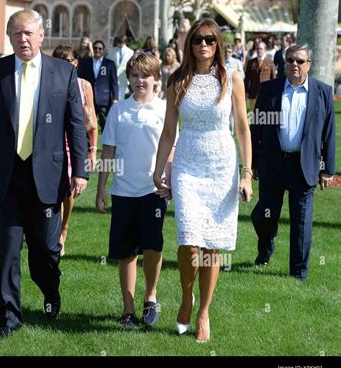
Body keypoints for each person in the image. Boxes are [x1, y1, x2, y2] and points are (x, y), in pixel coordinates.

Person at [0, 10, 89, 339]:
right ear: (9, 37)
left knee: (45, 252)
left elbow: (76, 125)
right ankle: (9, 316)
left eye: (28, 33)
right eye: (16, 34)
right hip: (5, 177)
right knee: (7, 250)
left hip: (48, 176)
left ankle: (50, 293)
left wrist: (82, 171)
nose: (23, 39)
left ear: (42, 35)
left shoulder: (63, 73)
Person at [154, 18, 252, 342]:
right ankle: (186, 295)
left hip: (222, 166)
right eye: (198, 39)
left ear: (219, 44)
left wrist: (247, 174)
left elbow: (242, 129)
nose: (204, 45)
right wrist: (159, 168)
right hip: (187, 166)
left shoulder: (231, 78)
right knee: (188, 240)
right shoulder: (177, 80)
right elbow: (169, 130)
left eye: (210, 40)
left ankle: (204, 311)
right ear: (189, 44)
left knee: (213, 245)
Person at [96, 52, 175, 329]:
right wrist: (101, 188)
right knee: (127, 252)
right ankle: (128, 309)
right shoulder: (118, 110)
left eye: (145, 75)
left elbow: (172, 148)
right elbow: (108, 150)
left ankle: (150, 297)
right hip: (123, 191)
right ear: (128, 78)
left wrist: (169, 177)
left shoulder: (166, 109)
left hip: (153, 191)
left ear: (157, 79)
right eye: (135, 75)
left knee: (153, 246)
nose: (140, 80)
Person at [251, 44, 336, 280]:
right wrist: (253, 163)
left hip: (304, 166)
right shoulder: (270, 90)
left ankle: (298, 271)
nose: (294, 65)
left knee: (302, 222)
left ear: (309, 64)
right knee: (265, 216)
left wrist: (327, 170)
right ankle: (265, 250)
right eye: (290, 60)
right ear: (284, 63)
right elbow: (256, 128)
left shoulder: (323, 92)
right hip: (273, 164)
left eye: (299, 61)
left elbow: (329, 133)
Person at [52, 44, 98, 256]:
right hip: (52, 142)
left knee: (69, 191)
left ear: (76, 63)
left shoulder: (84, 85)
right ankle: (52, 232)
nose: (64, 64)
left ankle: (64, 228)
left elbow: (92, 122)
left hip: (74, 144)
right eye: (59, 60)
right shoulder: (48, 83)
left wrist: (92, 150)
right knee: (54, 189)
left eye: (68, 60)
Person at [78, 40, 118, 131]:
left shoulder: (109, 64)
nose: (97, 50)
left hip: (104, 99)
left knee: (105, 124)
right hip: (88, 98)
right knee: (88, 123)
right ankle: (90, 144)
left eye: (100, 48)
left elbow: (114, 82)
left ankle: (107, 143)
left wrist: (115, 98)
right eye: (95, 48)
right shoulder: (85, 62)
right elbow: (80, 78)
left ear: (103, 50)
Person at [244, 42, 276, 111]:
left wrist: (273, 92)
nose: (259, 51)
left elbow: (273, 78)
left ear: (264, 50)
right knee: (254, 114)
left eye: (261, 49)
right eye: (258, 49)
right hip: (253, 93)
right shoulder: (251, 62)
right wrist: (246, 92)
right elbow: (247, 78)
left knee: (265, 115)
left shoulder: (270, 62)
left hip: (266, 93)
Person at [106, 35, 134, 101]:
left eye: (122, 43)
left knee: (122, 97)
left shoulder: (130, 52)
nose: (120, 45)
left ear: (125, 42)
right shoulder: (112, 51)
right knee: (113, 97)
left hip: (123, 78)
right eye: (119, 43)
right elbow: (107, 63)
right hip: (112, 77)